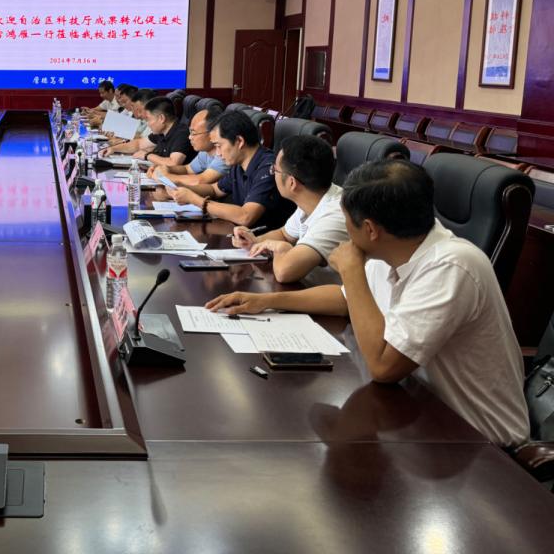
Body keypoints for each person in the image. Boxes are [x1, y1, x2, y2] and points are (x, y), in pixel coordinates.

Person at [207, 159, 528, 449]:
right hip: (413, 415)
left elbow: (384, 367)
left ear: (371, 229)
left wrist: (351, 269)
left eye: (348, 223)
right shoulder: (395, 246)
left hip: (477, 442)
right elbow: (345, 299)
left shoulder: (452, 266)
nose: (346, 236)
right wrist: (267, 301)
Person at [231, 134, 347, 284]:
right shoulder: (312, 198)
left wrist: (282, 248)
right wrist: (254, 241)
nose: (273, 175)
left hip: (326, 295)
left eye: (275, 170)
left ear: (292, 183)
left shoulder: (336, 215)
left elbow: (284, 272)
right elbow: (284, 235)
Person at [169, 110, 294, 228]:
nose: (218, 153)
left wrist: (194, 199)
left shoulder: (268, 167)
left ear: (239, 141)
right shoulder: (239, 164)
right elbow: (214, 190)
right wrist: (184, 189)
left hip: (262, 239)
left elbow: (246, 216)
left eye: (219, 146)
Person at [148, 108, 227, 186]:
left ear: (213, 133)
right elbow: (188, 169)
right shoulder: (205, 151)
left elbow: (201, 180)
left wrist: (165, 177)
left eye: (194, 133)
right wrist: (165, 168)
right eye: (190, 132)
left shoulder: (224, 154)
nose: (189, 137)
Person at [135, 96, 195, 166]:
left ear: (161, 118)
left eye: (149, 119)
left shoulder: (182, 134)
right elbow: (139, 144)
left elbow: (173, 163)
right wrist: (122, 147)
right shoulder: (161, 131)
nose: (148, 124)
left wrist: (147, 155)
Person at [101, 88, 157, 156]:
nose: (119, 100)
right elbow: (139, 142)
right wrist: (115, 147)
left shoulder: (154, 122)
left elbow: (140, 140)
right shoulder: (146, 119)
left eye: (140, 110)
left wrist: (121, 141)